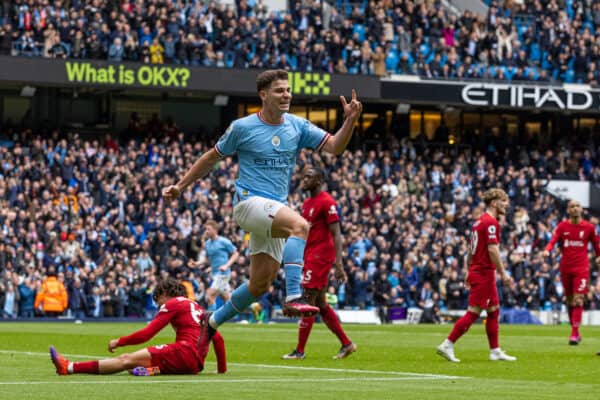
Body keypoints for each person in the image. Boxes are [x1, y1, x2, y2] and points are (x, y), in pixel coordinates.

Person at [162, 69, 362, 336]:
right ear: (263, 95)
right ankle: (293, 296)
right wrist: (180, 185)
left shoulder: (297, 126)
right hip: (248, 204)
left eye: (288, 90)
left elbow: (335, 146)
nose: (286, 95)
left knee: (259, 285)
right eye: (279, 90)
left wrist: (349, 120)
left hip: (273, 210)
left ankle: (210, 323)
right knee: (301, 226)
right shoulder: (242, 128)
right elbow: (211, 157)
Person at [50, 278, 226, 376]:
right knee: (131, 366)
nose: (159, 306)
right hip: (195, 366)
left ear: (165, 294)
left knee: (125, 360)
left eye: (158, 300)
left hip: (183, 352)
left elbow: (147, 334)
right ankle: (152, 370)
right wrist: (221, 370)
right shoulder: (198, 307)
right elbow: (218, 339)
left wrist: (119, 341)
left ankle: (70, 367)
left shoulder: (173, 303)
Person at [282, 166, 356, 360]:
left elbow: (337, 233)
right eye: (304, 176)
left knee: (308, 299)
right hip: (310, 255)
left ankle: (299, 351)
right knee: (321, 304)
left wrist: (339, 264)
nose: (304, 179)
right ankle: (347, 344)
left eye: (309, 177)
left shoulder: (327, 202)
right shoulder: (307, 203)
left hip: (321, 256)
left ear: (319, 180)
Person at [437, 188, 517, 363]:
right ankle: (448, 343)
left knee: (494, 310)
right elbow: (492, 249)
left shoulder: (478, 222)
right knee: (474, 312)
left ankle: (495, 350)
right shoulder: (491, 223)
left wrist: (468, 269)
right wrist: (503, 273)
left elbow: (470, 250)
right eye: (504, 201)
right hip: (484, 273)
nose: (507, 204)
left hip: (478, 270)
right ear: (494, 203)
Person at [542, 200, 600, 345]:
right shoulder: (562, 226)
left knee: (578, 299)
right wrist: (547, 250)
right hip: (565, 267)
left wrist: (599, 256)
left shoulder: (589, 227)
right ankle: (576, 332)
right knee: (569, 300)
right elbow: (553, 240)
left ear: (581, 209)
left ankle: (573, 334)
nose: (575, 208)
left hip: (581, 267)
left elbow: (596, 244)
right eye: (572, 206)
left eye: (577, 206)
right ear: (568, 210)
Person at [203, 220, 239, 309]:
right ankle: (252, 308)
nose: (206, 231)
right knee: (227, 299)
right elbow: (208, 259)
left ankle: (210, 321)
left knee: (209, 296)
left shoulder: (224, 241)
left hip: (223, 274)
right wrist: (197, 263)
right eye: (206, 229)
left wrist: (226, 265)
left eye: (209, 229)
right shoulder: (207, 244)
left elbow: (236, 254)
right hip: (214, 274)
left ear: (215, 230)